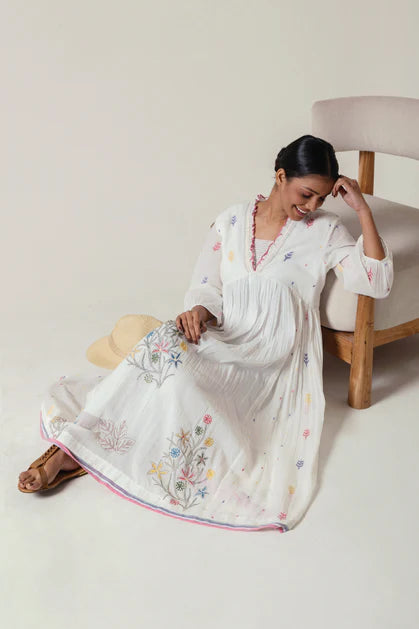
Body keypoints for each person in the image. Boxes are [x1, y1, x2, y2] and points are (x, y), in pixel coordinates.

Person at [18, 134, 394, 533]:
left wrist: (361, 209)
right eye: (306, 194)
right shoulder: (231, 221)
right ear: (281, 176)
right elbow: (205, 287)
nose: (313, 206)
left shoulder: (325, 230)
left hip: (273, 358)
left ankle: (79, 452)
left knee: (187, 393)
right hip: (226, 334)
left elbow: (376, 281)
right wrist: (199, 310)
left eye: (321, 198)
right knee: (164, 345)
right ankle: (75, 445)